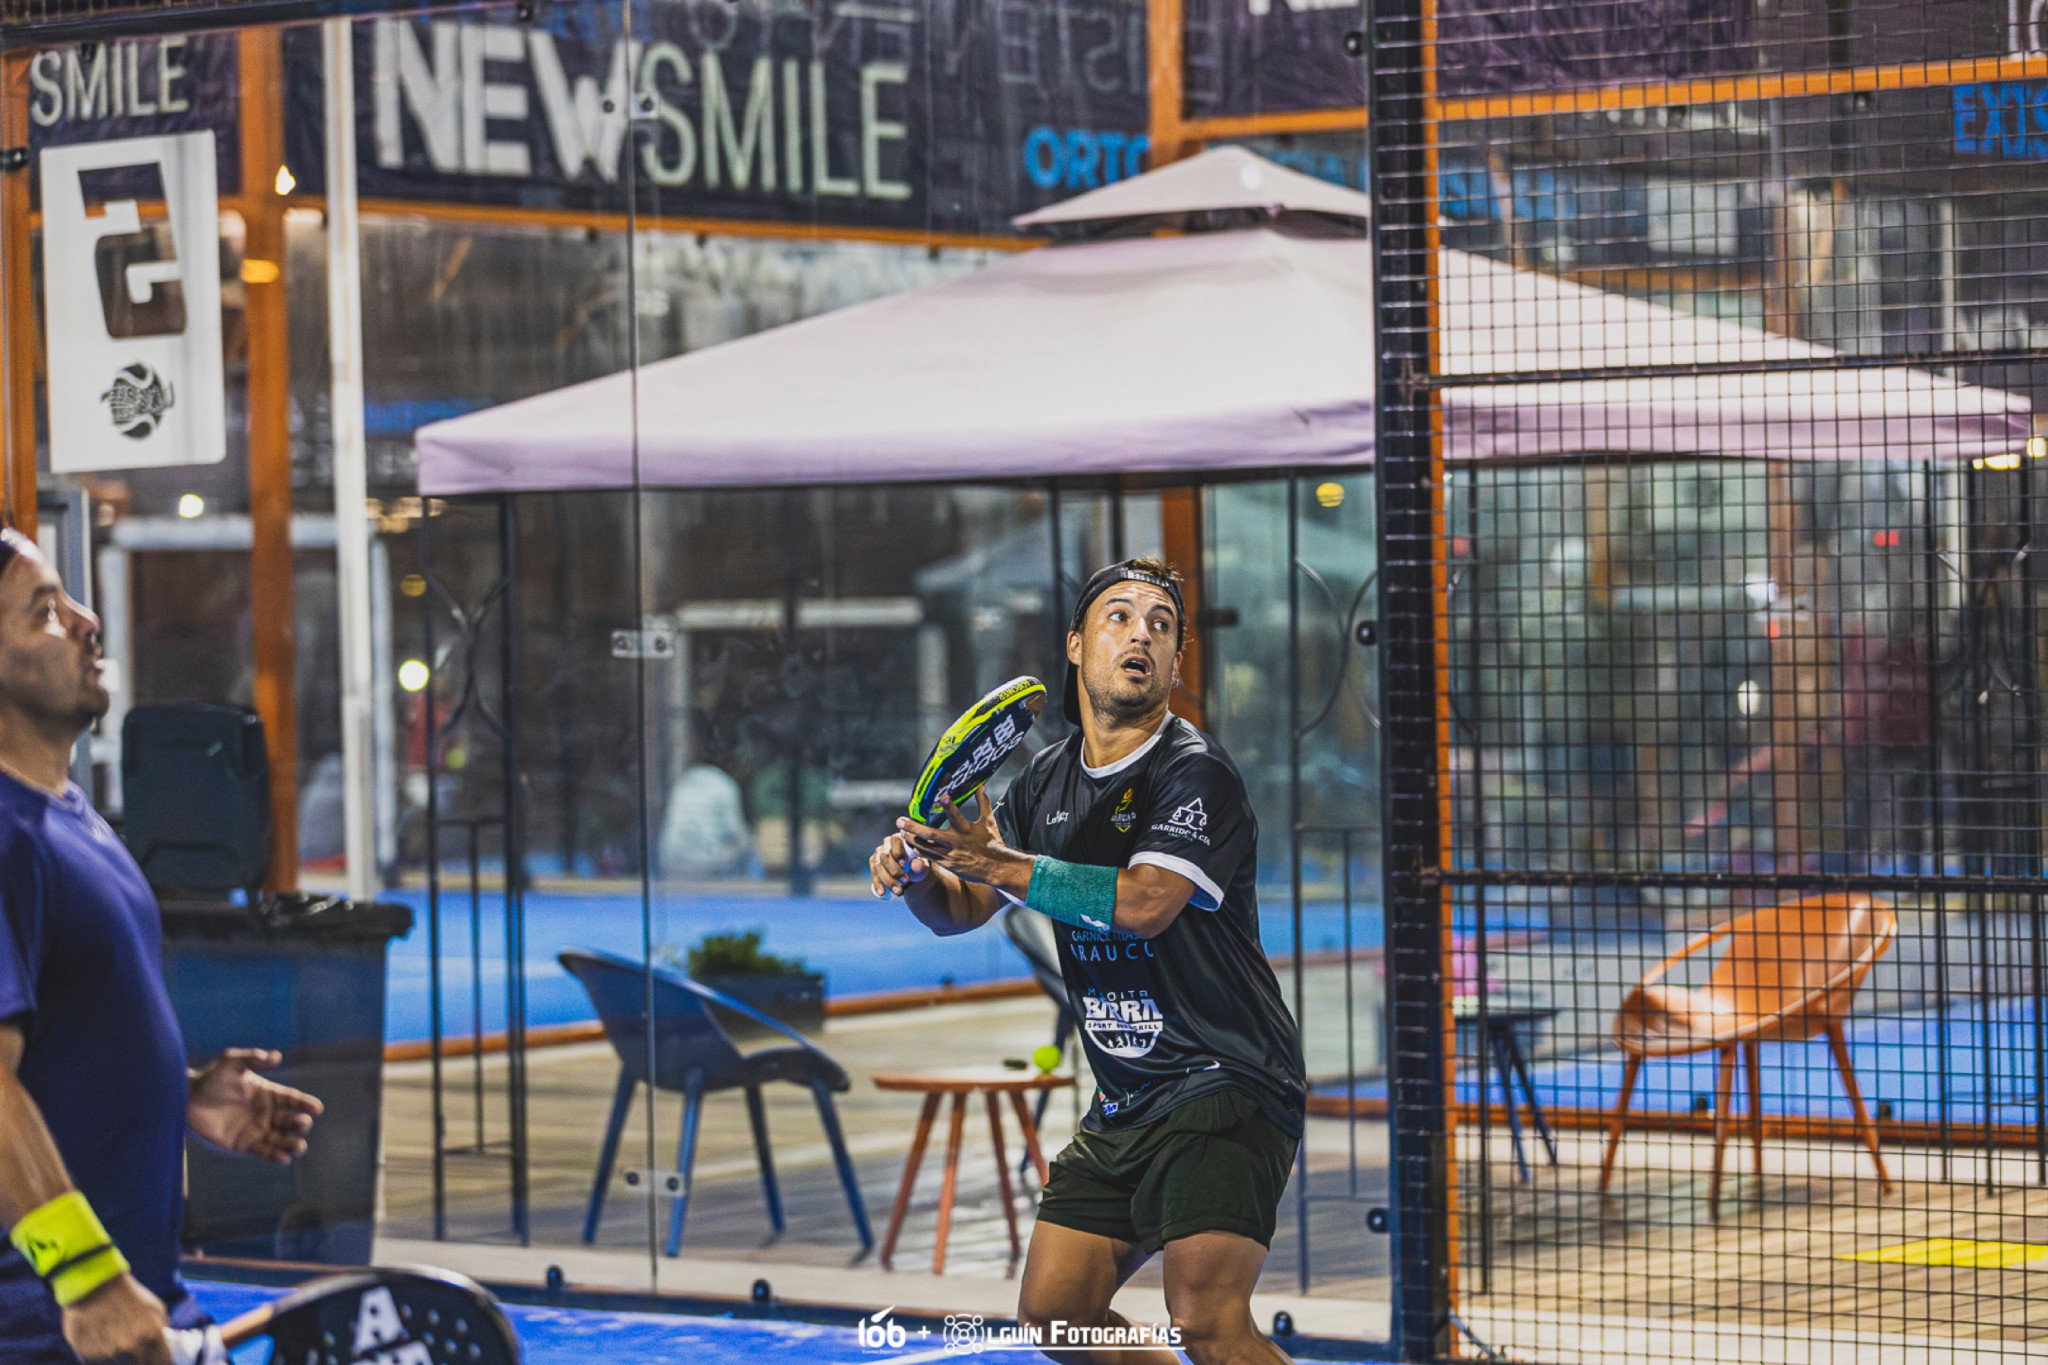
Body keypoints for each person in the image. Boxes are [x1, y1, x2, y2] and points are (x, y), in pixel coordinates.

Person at [870, 556, 1305, 1365]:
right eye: (1120, 617)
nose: (1142, 633)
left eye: (1161, 625)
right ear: (1076, 645)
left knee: (1207, 1320)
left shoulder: (1195, 771)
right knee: (1056, 1311)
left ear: (1175, 661)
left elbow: (1146, 902)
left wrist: (998, 863)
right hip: (1127, 1095)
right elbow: (962, 910)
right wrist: (923, 874)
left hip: (1227, 1078)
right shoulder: (1045, 781)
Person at [0, 529, 324, 1365]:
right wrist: (85, 1278)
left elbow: (56, 1049)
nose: (88, 621)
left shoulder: (67, 814)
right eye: (45, 611)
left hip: (132, 1319)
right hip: (50, 1329)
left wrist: (176, 1095)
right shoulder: (3, 836)